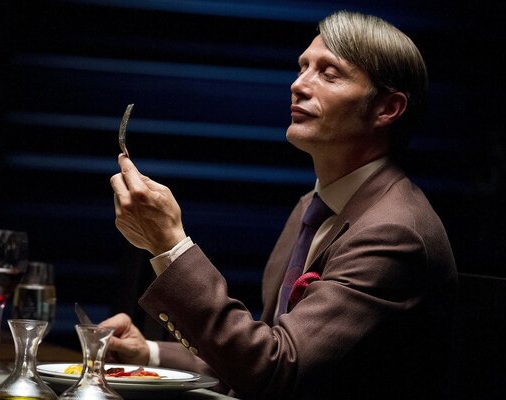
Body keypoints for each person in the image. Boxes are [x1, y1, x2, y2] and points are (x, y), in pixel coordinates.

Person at [105, 10, 457, 400]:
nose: (298, 85)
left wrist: (171, 246)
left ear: (387, 109)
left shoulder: (394, 232)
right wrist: (148, 352)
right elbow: (259, 354)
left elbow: (276, 371)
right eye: (302, 67)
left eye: (329, 73)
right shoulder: (314, 206)